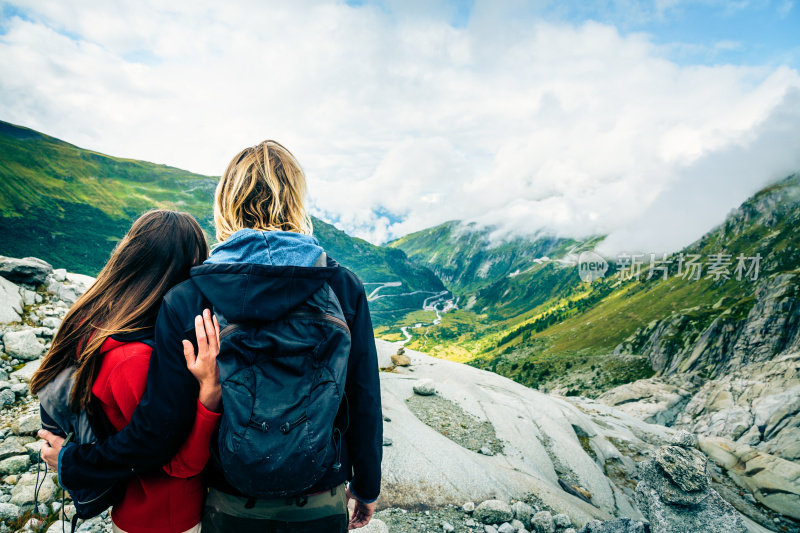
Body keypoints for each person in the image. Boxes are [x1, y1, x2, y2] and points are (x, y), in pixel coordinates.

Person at [43, 141, 383, 532]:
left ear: (226, 201)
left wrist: (76, 463)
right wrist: (367, 487)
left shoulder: (188, 297)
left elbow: (159, 430)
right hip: (320, 494)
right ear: (296, 200)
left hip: (230, 500)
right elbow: (363, 399)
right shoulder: (342, 286)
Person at [32, 210, 223, 533]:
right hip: (169, 516)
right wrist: (209, 392)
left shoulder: (93, 325)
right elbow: (178, 463)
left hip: (135, 511)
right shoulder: (135, 359)